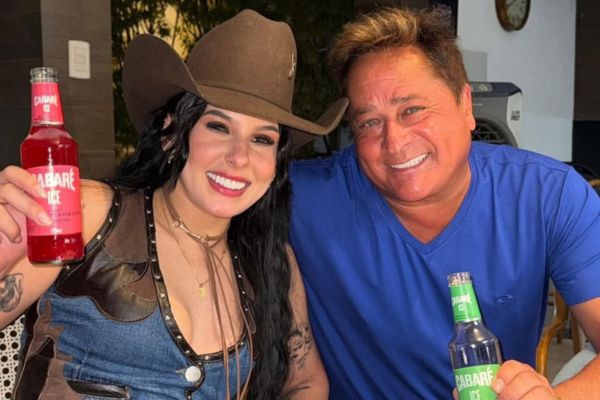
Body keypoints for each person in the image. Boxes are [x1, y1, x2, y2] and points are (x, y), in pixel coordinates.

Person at [0, 9, 347, 399]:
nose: (239, 157)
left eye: (262, 139)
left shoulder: (270, 260)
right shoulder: (87, 214)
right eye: (219, 127)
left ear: (276, 163)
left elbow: (305, 381)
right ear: (171, 133)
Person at [288, 7, 600, 400]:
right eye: (369, 122)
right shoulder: (304, 199)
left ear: (465, 105)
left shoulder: (546, 195)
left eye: (412, 110)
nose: (394, 142)